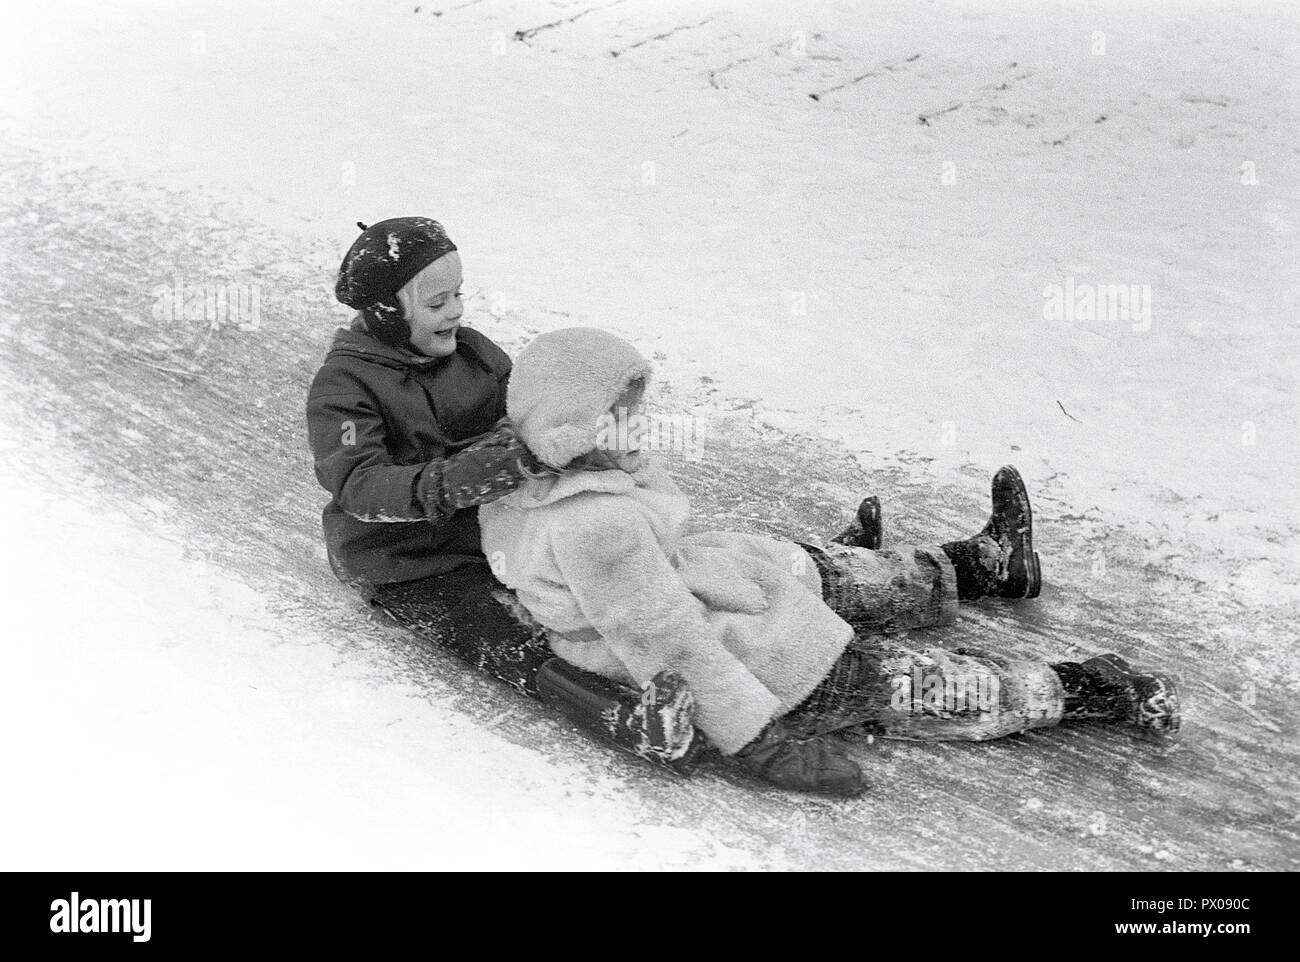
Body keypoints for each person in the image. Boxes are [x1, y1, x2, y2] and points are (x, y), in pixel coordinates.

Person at [479, 327, 1182, 797]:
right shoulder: (595, 524)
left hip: (715, 587)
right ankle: (1092, 689)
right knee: (901, 683)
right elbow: (668, 637)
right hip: (755, 663)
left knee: (813, 569)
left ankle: (982, 564)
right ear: (569, 425)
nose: (640, 423)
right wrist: (754, 738)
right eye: (621, 412)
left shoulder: (549, 476)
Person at [306, 219, 696, 767]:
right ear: (389, 313)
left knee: (613, 560)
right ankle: (626, 718)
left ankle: (807, 585)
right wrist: (459, 478)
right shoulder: (345, 389)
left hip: (499, 528)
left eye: (458, 294)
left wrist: (574, 438)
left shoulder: (474, 354)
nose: (457, 311)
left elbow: (526, 415)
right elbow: (359, 485)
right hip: (411, 561)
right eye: (437, 301)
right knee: (497, 629)